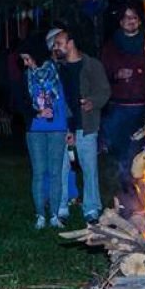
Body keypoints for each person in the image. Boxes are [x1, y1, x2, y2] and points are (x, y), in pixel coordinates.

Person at [99, 5, 145, 215]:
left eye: (134, 17)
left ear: (139, 21)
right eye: (126, 18)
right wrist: (116, 75)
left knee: (142, 155)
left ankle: (144, 198)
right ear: (121, 23)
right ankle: (126, 200)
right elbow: (103, 75)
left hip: (144, 109)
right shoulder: (111, 47)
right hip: (120, 110)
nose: (130, 21)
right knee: (123, 155)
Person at [51, 27, 112, 224]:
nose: (56, 47)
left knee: (89, 168)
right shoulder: (57, 68)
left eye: (59, 43)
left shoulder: (92, 65)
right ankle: (61, 208)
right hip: (62, 126)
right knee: (61, 167)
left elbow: (104, 90)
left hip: (87, 125)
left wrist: (92, 102)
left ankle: (91, 209)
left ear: (70, 44)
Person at [22, 43, 70, 230]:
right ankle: (40, 214)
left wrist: (71, 127)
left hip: (58, 127)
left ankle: (55, 215)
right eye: (23, 60)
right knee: (39, 172)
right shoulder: (26, 76)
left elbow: (69, 99)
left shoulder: (58, 71)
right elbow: (20, 102)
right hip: (35, 129)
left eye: (28, 58)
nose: (26, 63)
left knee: (56, 172)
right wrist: (37, 113)